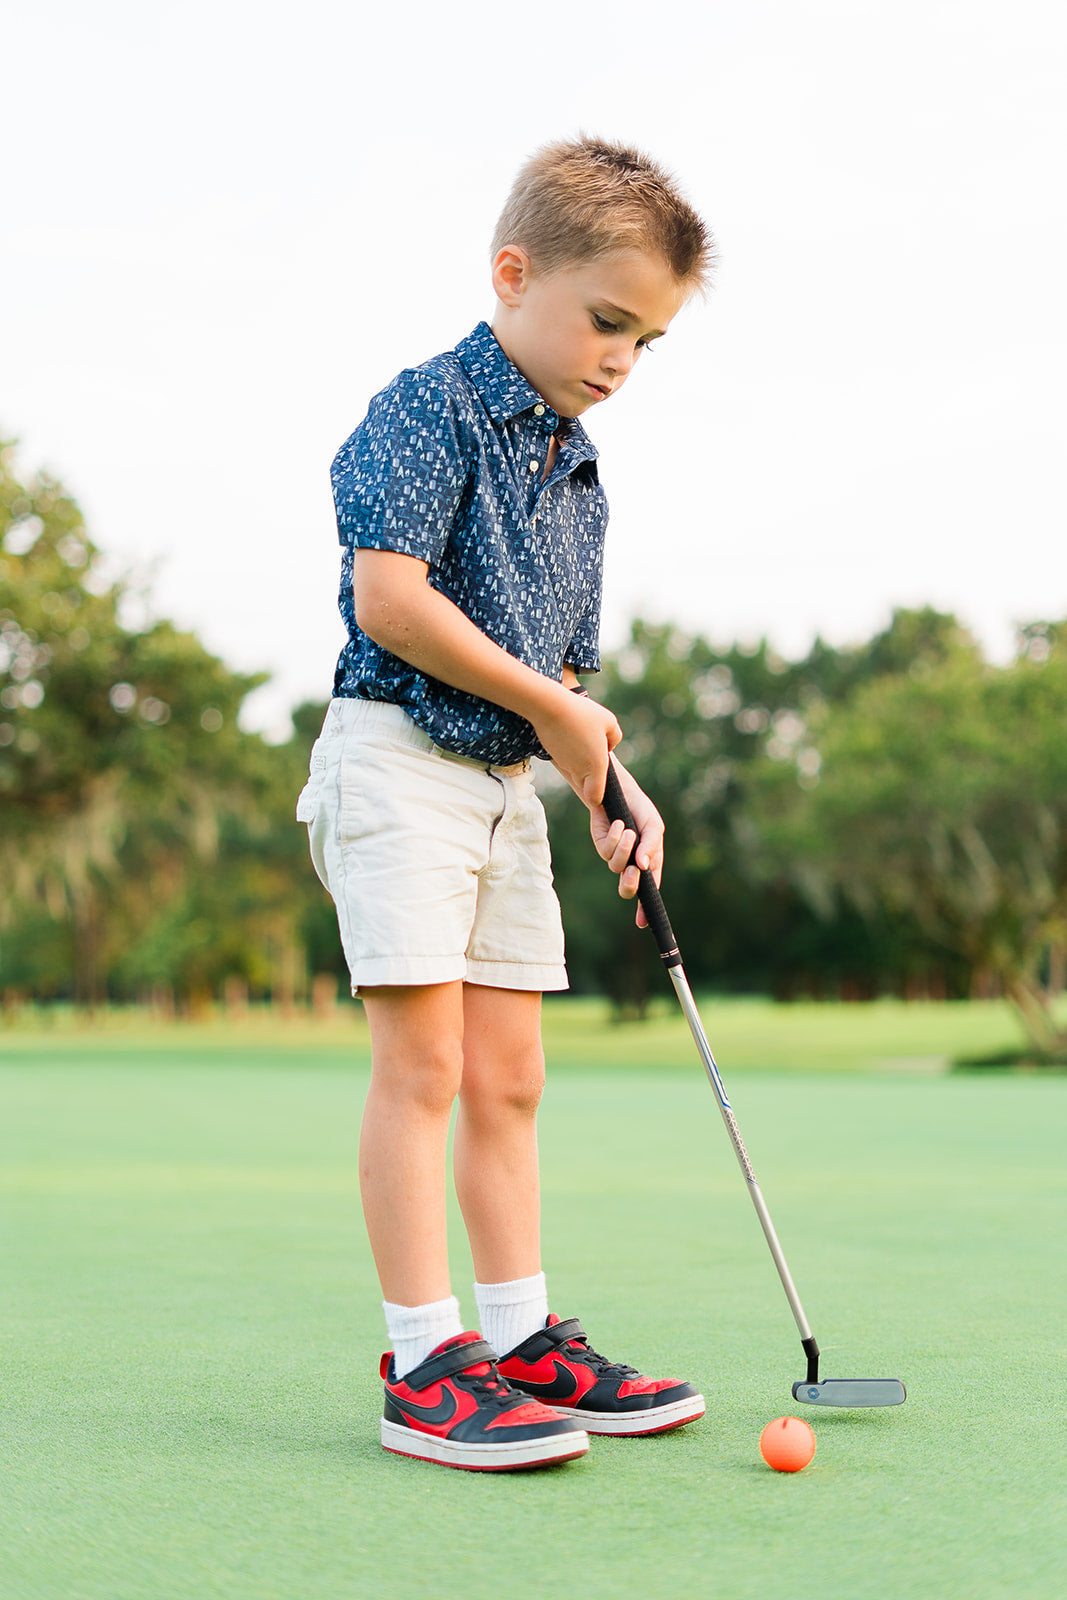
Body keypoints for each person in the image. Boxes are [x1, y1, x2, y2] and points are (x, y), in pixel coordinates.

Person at [297, 135, 715, 1471]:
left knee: (511, 1077)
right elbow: (392, 601)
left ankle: (521, 1339)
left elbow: (561, 682)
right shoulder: (427, 408)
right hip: (397, 758)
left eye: (647, 340)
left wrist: (608, 781)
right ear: (514, 274)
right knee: (423, 1067)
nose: (622, 359)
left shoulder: (580, 473)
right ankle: (425, 1362)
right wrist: (555, 711)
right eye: (607, 320)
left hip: (504, 787)